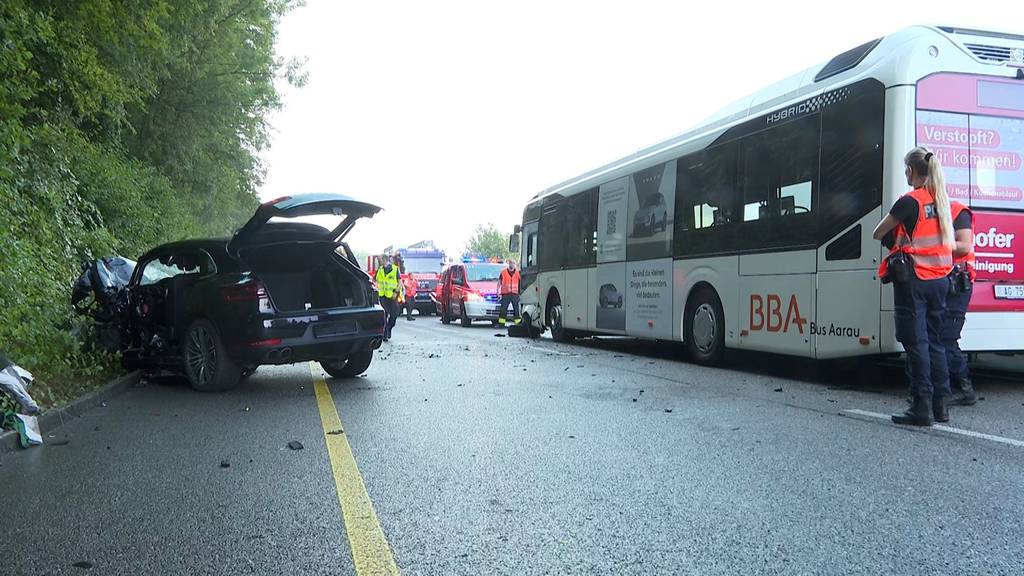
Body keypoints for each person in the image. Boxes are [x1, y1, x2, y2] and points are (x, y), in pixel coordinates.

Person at [873, 146, 955, 426]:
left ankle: (921, 406)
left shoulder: (910, 201)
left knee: (916, 342)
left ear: (910, 170)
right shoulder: (942, 199)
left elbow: (878, 232)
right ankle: (941, 405)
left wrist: (901, 243)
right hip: (942, 279)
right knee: (936, 342)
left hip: (915, 280)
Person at [945, 199, 977, 406]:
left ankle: (964, 389)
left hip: (958, 282)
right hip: (941, 280)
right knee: (939, 338)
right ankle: (947, 387)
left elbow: (964, 247)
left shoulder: (957, 211)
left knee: (946, 338)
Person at [375, 256, 400, 341]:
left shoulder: (395, 269)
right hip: (382, 297)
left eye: (380, 260)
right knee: (384, 315)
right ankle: (385, 333)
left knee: (394, 316)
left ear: (384, 260)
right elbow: (375, 281)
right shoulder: (380, 270)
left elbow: (400, 283)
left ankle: (389, 328)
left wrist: (396, 292)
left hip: (392, 296)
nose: (379, 261)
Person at [498, 259, 521, 327]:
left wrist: (520, 293)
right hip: (506, 293)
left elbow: (520, 283)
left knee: (516, 309)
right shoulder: (503, 272)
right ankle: (501, 323)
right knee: (503, 309)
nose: (512, 265)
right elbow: (499, 282)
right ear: (509, 264)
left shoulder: (517, 273)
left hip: (515, 293)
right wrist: (498, 291)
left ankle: (517, 324)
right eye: (511, 263)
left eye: (514, 263)